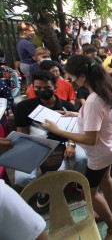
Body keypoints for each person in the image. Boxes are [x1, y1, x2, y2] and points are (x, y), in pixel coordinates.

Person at [41, 55, 112, 238]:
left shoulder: (93, 101)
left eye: (72, 77)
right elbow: (100, 118)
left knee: (89, 194)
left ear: (83, 76)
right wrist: (73, 114)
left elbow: (89, 139)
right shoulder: (106, 89)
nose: (70, 81)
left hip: (101, 152)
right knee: (106, 177)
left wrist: (58, 130)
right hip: (111, 146)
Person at [14, 70, 86, 207]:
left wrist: (72, 144)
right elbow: (21, 133)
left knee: (82, 158)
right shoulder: (24, 107)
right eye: (38, 88)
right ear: (32, 88)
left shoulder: (66, 106)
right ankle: (45, 189)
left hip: (62, 142)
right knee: (22, 178)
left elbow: (73, 129)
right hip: (34, 144)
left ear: (55, 88)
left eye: (47, 88)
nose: (42, 91)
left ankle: (77, 180)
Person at [16, 22, 36, 87]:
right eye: (32, 30)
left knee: (29, 84)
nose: (33, 32)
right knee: (32, 85)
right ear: (25, 31)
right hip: (29, 65)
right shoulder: (26, 43)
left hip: (24, 65)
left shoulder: (20, 41)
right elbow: (35, 57)